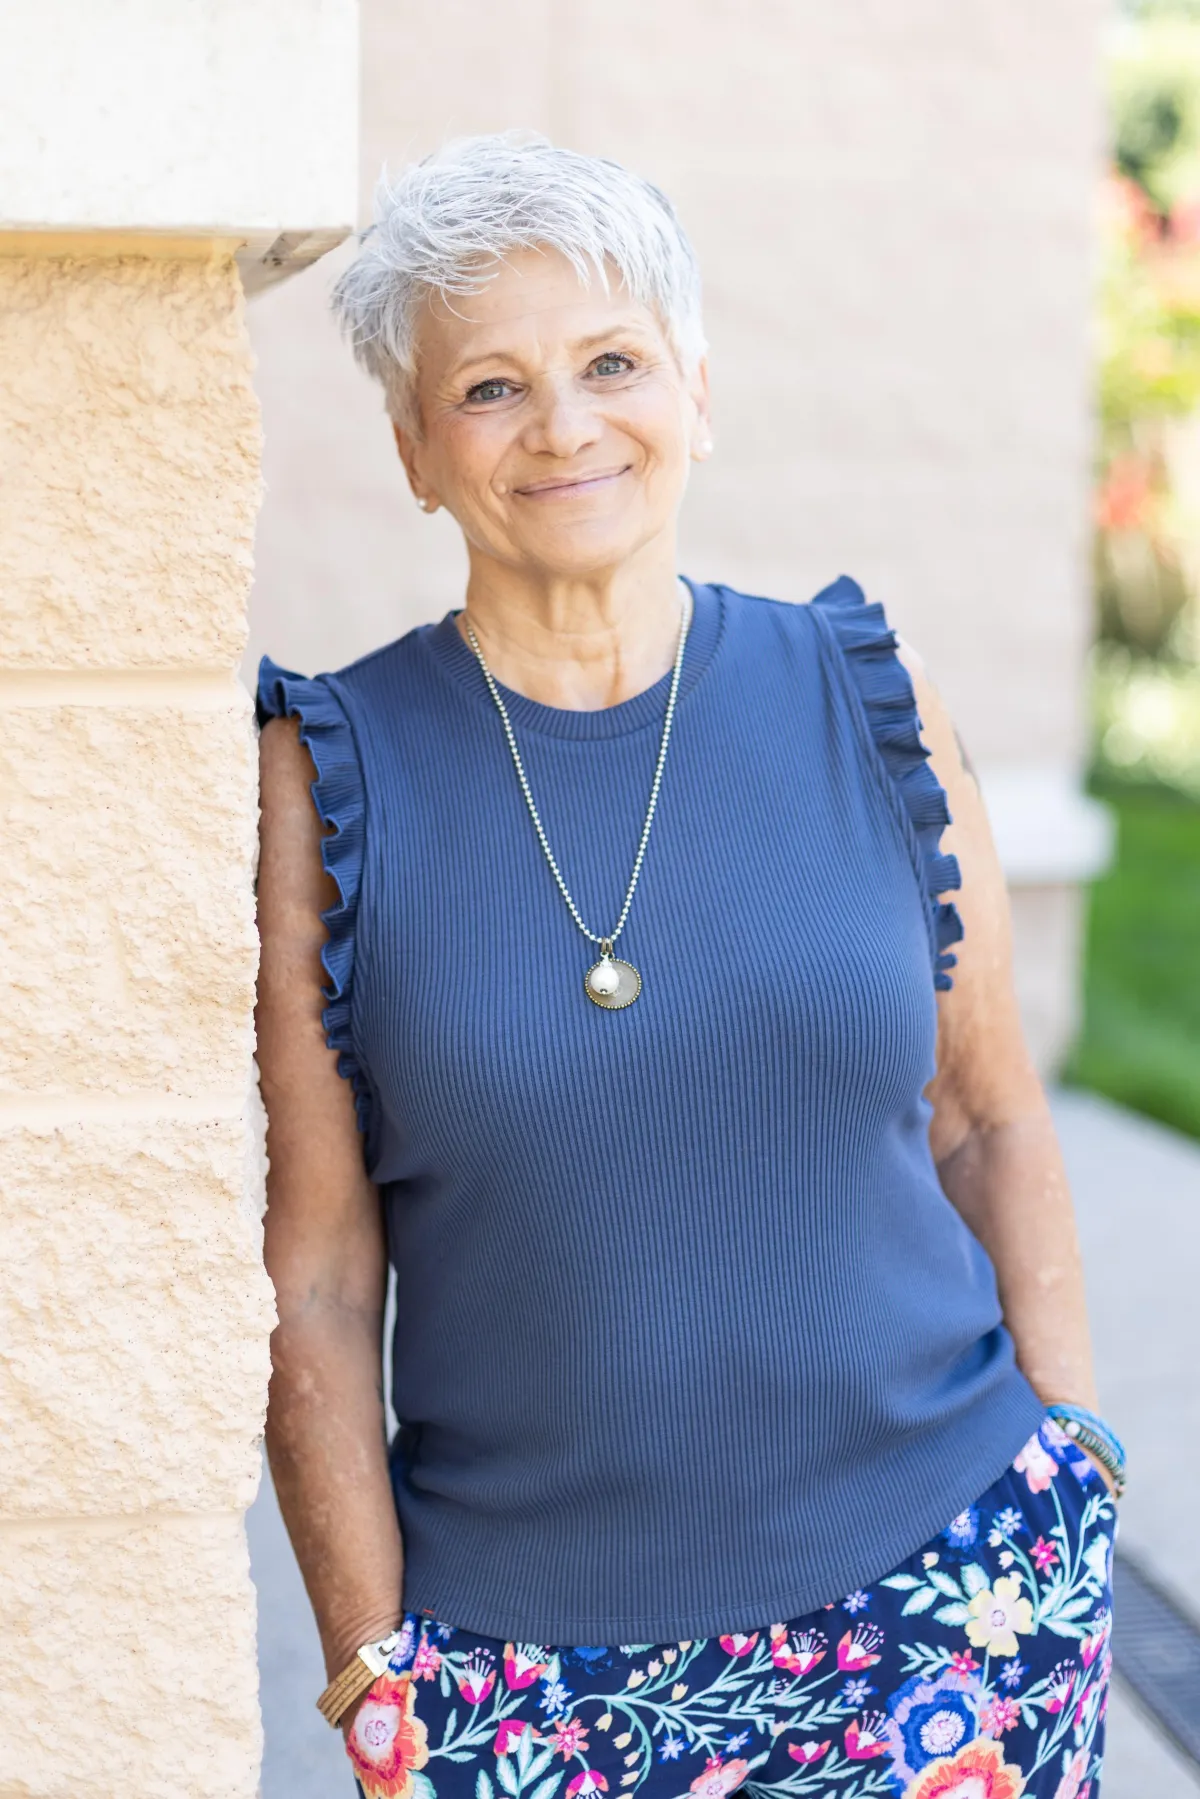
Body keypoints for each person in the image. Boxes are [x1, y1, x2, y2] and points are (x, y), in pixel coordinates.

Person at [255, 134, 1123, 1799]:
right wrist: (368, 1663)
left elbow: (990, 1115)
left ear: (698, 394)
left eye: (613, 363)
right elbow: (321, 1274)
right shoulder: (337, 771)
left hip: (956, 1608)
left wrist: (1073, 1461)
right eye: (491, 387)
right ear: (415, 450)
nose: (564, 425)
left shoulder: (868, 693)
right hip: (535, 1687)